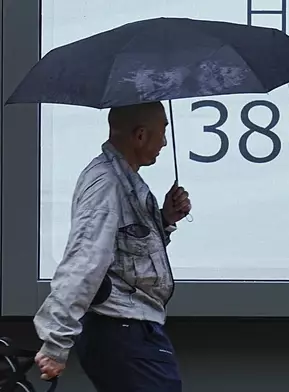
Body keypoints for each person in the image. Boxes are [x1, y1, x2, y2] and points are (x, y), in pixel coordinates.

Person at [32, 101, 191, 392]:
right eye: (162, 132)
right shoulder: (106, 183)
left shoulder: (126, 179)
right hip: (121, 329)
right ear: (140, 135)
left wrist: (165, 219)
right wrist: (55, 343)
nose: (165, 142)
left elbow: (128, 254)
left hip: (133, 329)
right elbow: (85, 261)